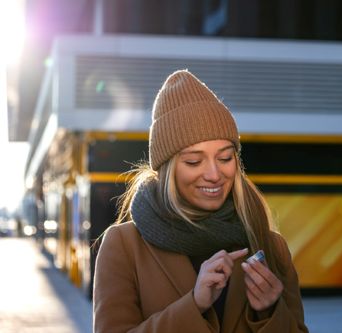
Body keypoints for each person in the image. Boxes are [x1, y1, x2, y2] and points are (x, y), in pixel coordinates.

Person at [93, 69, 309, 333]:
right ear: (167, 169)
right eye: (194, 161)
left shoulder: (271, 247)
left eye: (225, 158)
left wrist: (271, 313)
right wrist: (194, 305)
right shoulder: (123, 246)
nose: (214, 174)